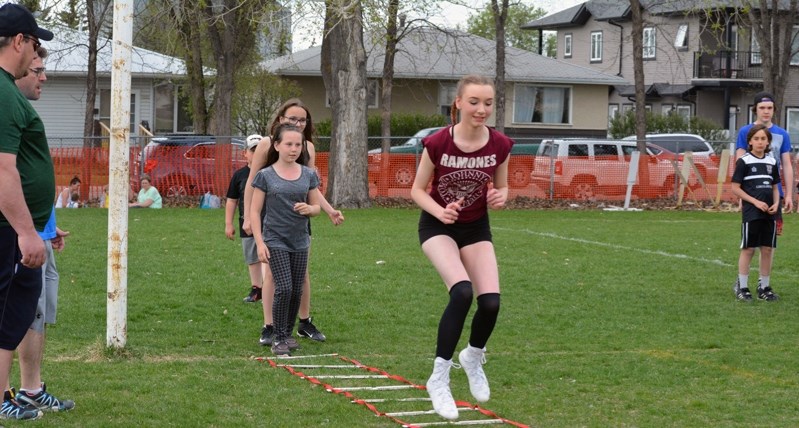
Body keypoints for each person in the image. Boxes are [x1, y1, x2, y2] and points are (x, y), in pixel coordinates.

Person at [410, 75, 511, 420]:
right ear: (458, 103)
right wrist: (440, 210)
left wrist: (500, 198)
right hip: (438, 226)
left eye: (487, 103)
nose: (481, 109)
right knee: (462, 293)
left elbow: (503, 188)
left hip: (476, 227)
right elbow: (417, 190)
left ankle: (472, 355)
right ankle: (439, 378)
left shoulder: (500, 145)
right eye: (474, 102)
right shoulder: (438, 143)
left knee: (491, 303)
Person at [7, 44, 74, 414]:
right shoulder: (6, 111)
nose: (43, 77)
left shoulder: (23, 112)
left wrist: (48, 225)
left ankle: (31, 388)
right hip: (19, 236)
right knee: (12, 314)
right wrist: (25, 231)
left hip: (38, 233)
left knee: (36, 314)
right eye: (36, 70)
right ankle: (3, 396)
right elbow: (6, 178)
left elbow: (30, 179)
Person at [242, 99, 343, 346]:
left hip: (298, 216)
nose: (297, 123)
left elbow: (311, 186)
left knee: (301, 275)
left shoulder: (306, 147)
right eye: (292, 119)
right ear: (280, 120)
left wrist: (329, 211)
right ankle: (270, 326)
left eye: (302, 120)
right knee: (274, 277)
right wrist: (246, 216)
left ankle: (304, 322)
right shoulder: (268, 144)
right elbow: (252, 182)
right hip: (269, 214)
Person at [0, 3, 55, 420]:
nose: (36, 55)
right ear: (19, 41)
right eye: (34, 44)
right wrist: (25, 232)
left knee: (11, 320)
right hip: (7, 230)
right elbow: (3, 169)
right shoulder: (2, 92)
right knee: (4, 318)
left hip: (15, 228)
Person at [249, 124, 322, 355]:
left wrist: (310, 210)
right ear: (277, 145)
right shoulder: (265, 175)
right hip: (274, 239)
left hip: (300, 241)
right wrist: (260, 243)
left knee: (296, 290)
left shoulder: (308, 175)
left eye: (298, 145)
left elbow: (317, 206)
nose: (293, 149)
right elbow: (254, 210)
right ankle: (279, 338)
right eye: (288, 144)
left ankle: (287, 334)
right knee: (285, 287)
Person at [731, 124, 781, 302]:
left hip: (770, 212)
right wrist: (754, 201)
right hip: (752, 211)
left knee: (767, 248)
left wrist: (776, 203)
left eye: (763, 139)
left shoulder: (772, 161)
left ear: (768, 142)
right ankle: (742, 286)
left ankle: (764, 287)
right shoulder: (744, 161)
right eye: (757, 139)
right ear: (750, 141)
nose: (760, 142)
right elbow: (735, 188)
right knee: (749, 248)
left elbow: (775, 187)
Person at [735, 92, 794, 235]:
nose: (766, 111)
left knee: (771, 240)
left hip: (774, 192)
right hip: (751, 192)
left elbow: (787, 165)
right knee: (751, 240)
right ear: (755, 109)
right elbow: (739, 162)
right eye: (762, 108)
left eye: (769, 108)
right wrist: (741, 195)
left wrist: (788, 195)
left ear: (774, 109)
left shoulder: (782, 134)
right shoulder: (745, 132)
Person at [226, 134, 265, 303]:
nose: (256, 153)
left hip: (267, 223)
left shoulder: (270, 172)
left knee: (266, 256)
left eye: (260, 150)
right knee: (252, 256)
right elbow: (232, 200)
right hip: (246, 223)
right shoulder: (240, 175)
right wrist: (229, 223)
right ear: (245, 153)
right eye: (253, 150)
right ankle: (257, 289)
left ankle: (270, 289)